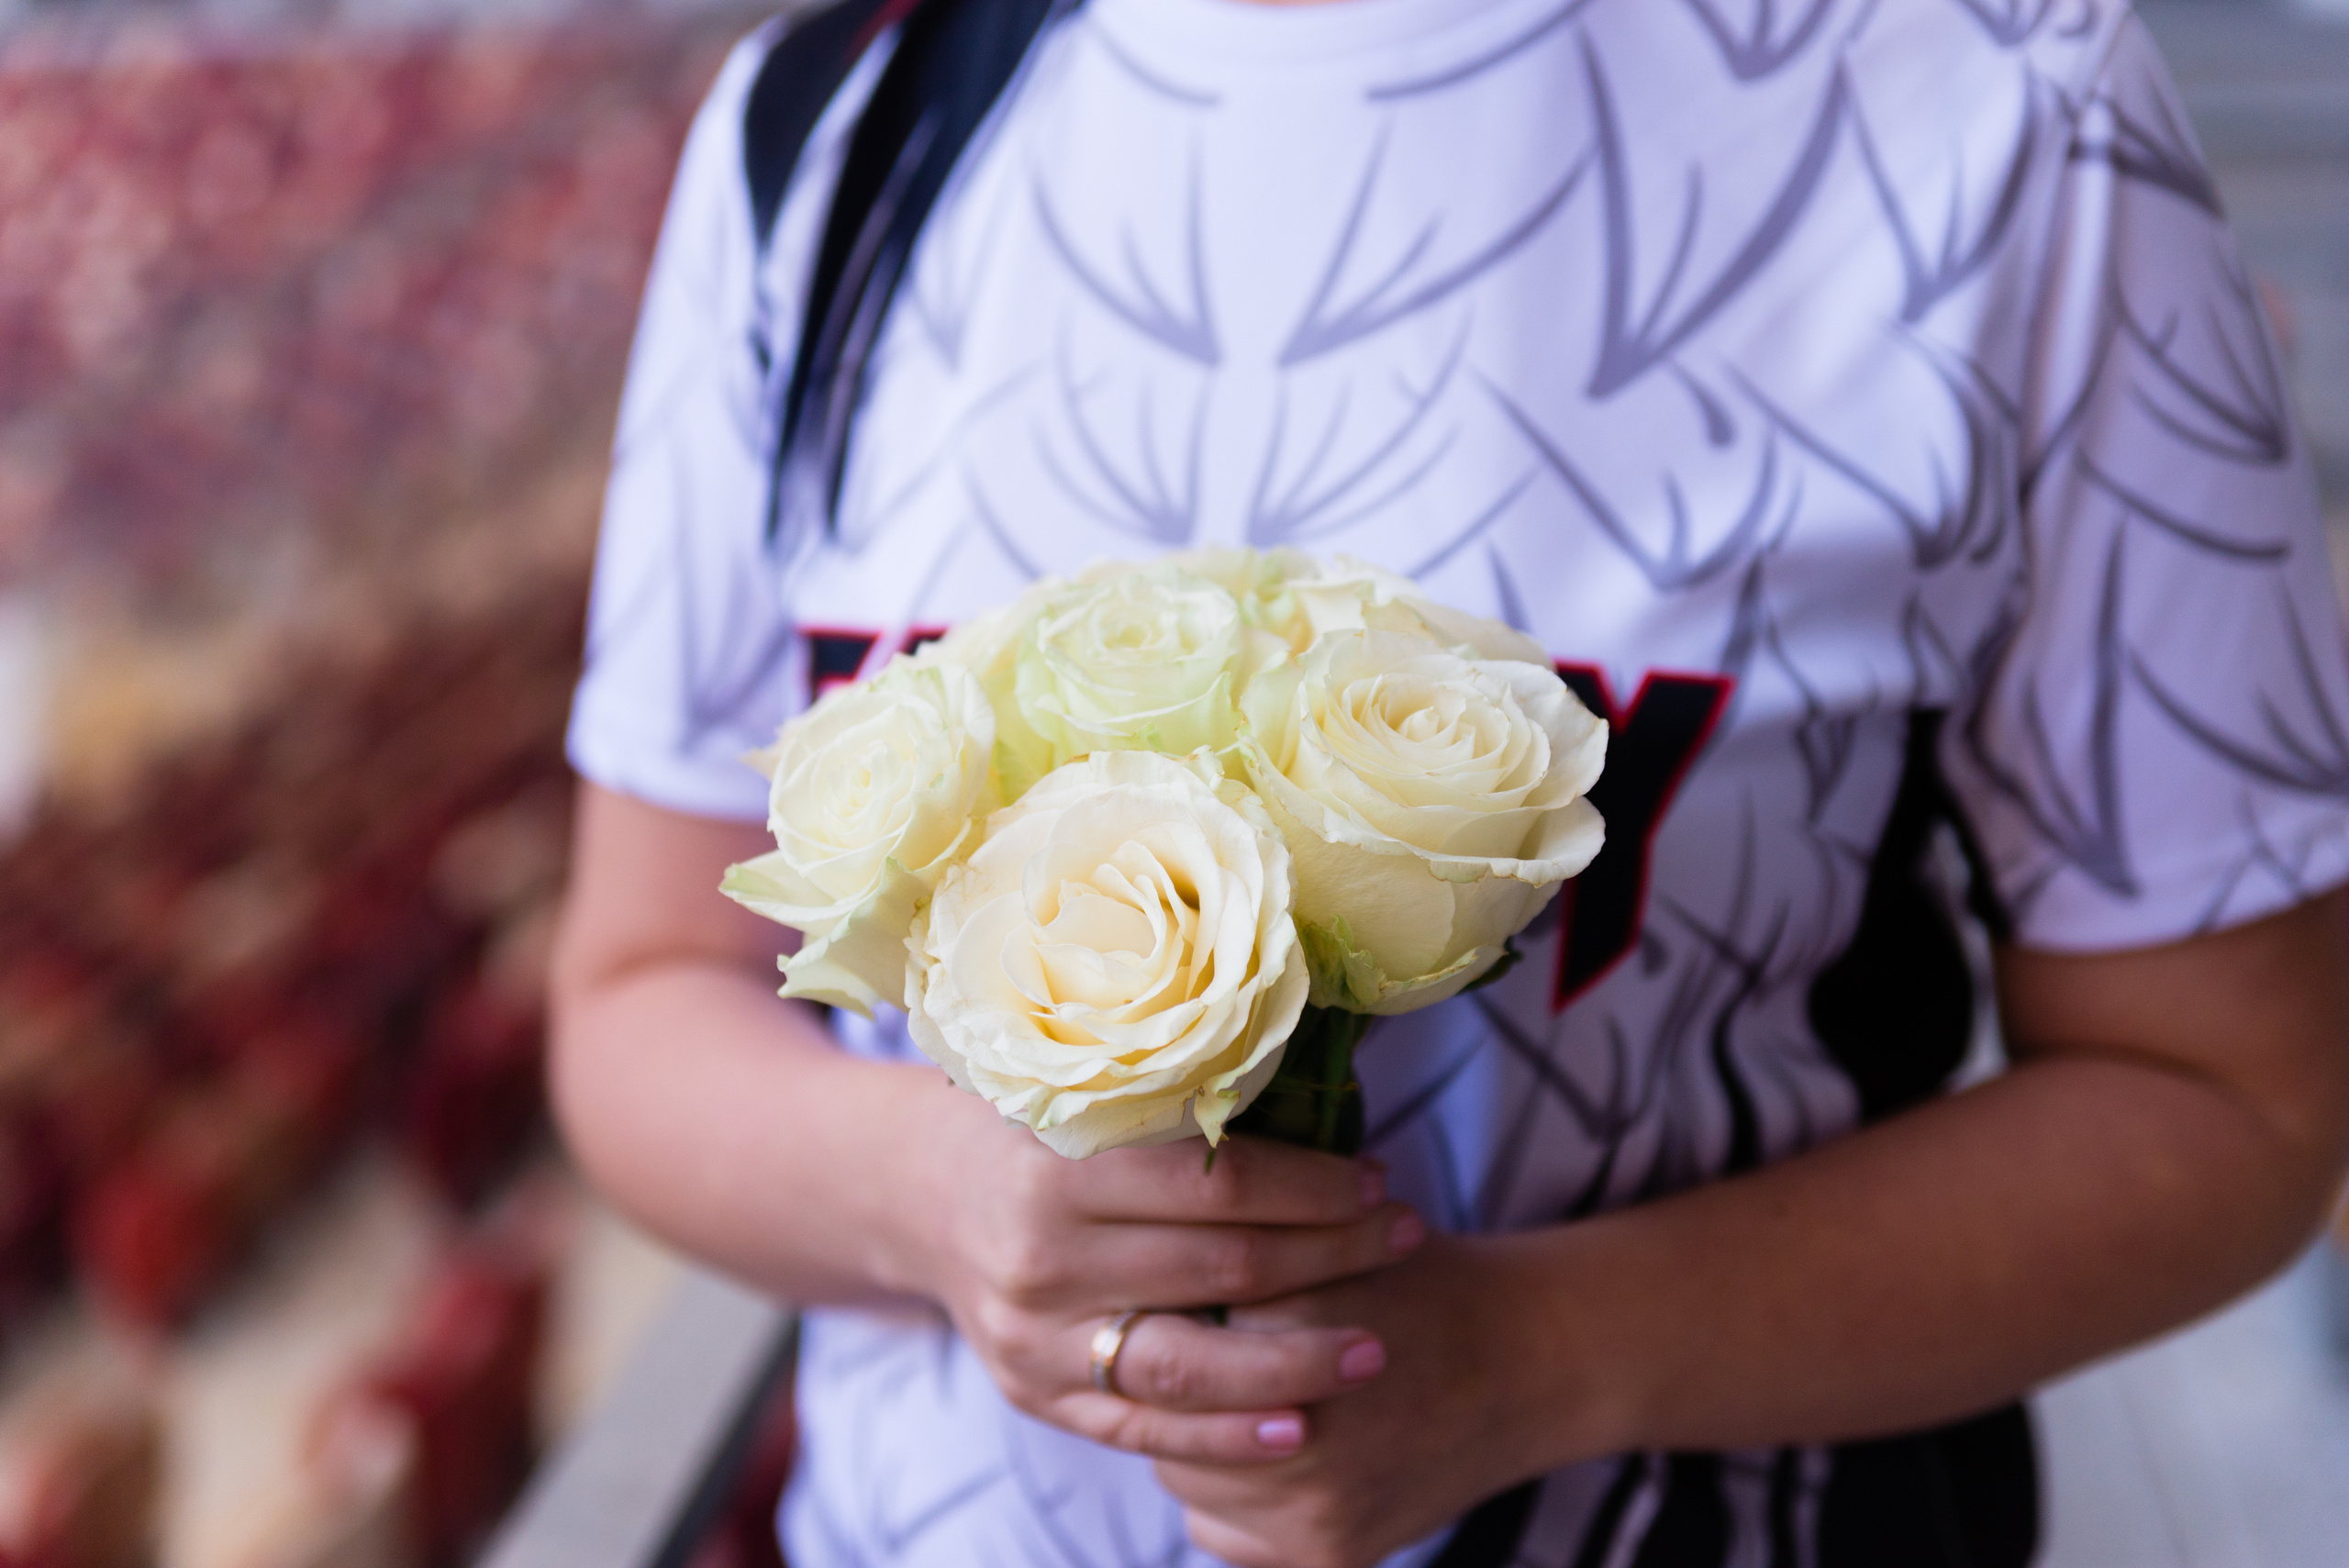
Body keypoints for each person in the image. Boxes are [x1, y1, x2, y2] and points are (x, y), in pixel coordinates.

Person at [548, 0, 2349, 1561]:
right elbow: (645, 987)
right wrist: (933, 1202)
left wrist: (1538, 1359)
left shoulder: (1997, 112)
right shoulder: (826, 137)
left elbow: (2230, 1095)